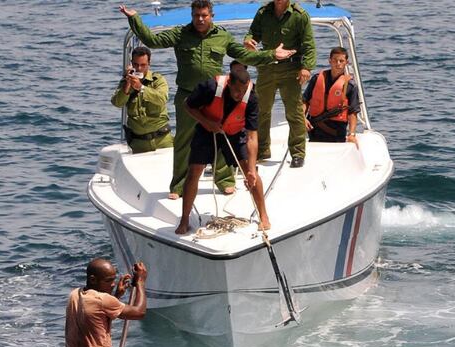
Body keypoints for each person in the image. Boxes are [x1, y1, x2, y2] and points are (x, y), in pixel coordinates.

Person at [119, 1, 296, 200]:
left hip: (216, 96)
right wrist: (134, 18)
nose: (200, 19)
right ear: (192, 15)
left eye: (204, 15)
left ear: (212, 15)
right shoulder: (180, 34)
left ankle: (224, 180)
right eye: (196, 15)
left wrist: (272, 54)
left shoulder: (223, 36)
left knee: (221, 136)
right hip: (188, 95)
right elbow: (151, 40)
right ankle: (179, 185)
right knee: (184, 141)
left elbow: (245, 56)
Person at [175, 68, 271, 234]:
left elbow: (252, 137)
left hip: (234, 132)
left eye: (242, 91)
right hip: (207, 129)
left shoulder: (252, 98)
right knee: (194, 170)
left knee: (251, 169)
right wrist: (206, 122)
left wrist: (251, 171)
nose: (239, 94)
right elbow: (188, 105)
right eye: (235, 90)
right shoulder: (211, 87)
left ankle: (264, 216)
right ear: (229, 84)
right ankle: (184, 219)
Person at [244, 0, 316, 168]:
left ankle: (297, 152)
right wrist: (249, 41)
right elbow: (253, 34)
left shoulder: (300, 16)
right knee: (261, 110)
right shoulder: (263, 13)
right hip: (267, 67)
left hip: (291, 69)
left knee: (294, 111)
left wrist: (306, 67)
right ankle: (262, 149)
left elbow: (309, 45)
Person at [64, 259, 147, 347]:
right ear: (92, 280)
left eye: (113, 280)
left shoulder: (74, 295)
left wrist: (116, 296)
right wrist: (140, 282)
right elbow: (139, 312)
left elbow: (98, 313)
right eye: (108, 281)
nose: (113, 284)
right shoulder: (103, 300)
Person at [111, 46, 172, 154]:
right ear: (131, 64)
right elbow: (117, 103)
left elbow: (161, 99)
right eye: (136, 64)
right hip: (139, 143)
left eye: (143, 65)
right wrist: (127, 85)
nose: (139, 68)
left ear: (149, 63)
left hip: (162, 140)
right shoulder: (126, 81)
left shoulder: (157, 80)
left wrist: (141, 88)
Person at [302, 47, 360, 145]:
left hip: (336, 132)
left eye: (341, 61)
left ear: (346, 62)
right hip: (314, 129)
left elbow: (353, 112)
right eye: (335, 60)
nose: (338, 63)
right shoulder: (316, 79)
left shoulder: (350, 85)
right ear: (329, 61)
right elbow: (305, 100)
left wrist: (352, 134)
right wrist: (302, 118)